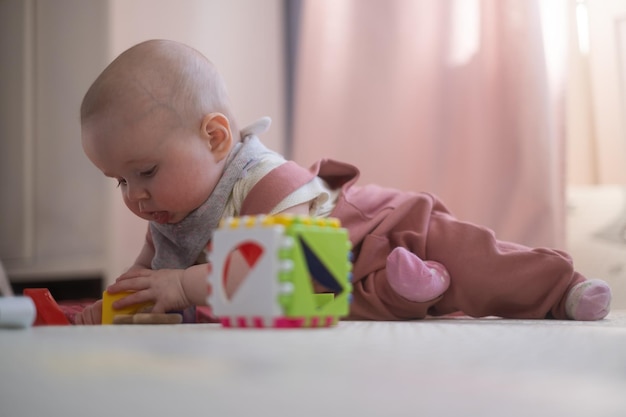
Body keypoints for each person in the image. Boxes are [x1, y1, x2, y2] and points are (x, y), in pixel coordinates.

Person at [74, 39, 611, 324]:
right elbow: (138, 293)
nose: (135, 196)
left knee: (469, 258)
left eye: (145, 172)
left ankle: (560, 289)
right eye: (117, 182)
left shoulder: (265, 181)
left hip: (379, 231)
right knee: (341, 304)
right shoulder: (166, 222)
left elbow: (279, 271)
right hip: (335, 284)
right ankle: (405, 292)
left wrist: (186, 285)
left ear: (216, 138)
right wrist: (95, 314)